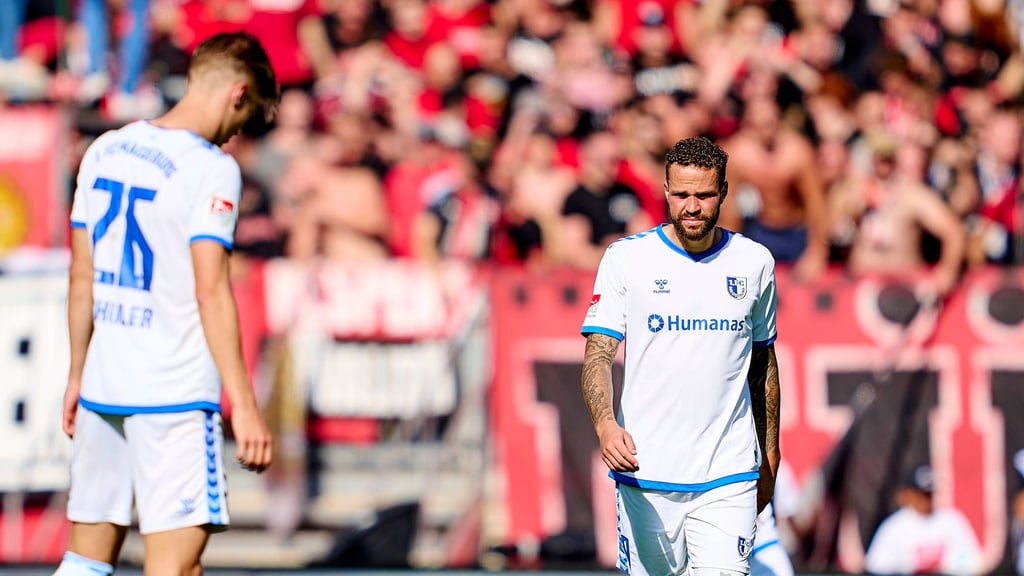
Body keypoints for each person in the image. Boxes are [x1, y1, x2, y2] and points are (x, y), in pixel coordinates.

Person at [56, 32, 279, 576]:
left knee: (84, 564)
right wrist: (245, 404)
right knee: (174, 569)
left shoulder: (105, 148)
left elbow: (81, 275)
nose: (237, 134)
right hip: (173, 399)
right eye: (246, 118)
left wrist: (76, 374)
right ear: (238, 93)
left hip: (102, 392)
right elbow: (211, 289)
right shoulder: (211, 168)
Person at [580, 136, 781, 576]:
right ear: (666, 192)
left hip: (728, 472)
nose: (693, 206)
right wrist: (605, 424)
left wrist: (770, 452)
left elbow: (763, 363)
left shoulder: (754, 263)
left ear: (724, 193)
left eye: (705, 195)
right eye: (683, 194)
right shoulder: (627, 259)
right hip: (646, 470)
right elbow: (598, 352)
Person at [864, 465, 983, 576]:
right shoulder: (894, 527)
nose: (927, 500)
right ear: (908, 494)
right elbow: (878, 568)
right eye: (922, 494)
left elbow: (973, 564)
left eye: (930, 494)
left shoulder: (952, 521)